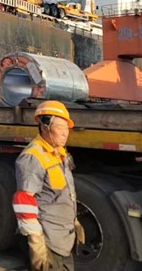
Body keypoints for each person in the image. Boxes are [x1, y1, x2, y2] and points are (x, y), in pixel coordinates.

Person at [12, 101, 84, 270]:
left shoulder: (59, 153)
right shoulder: (33, 157)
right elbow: (23, 200)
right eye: (60, 128)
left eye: (67, 128)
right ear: (44, 126)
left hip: (63, 239)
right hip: (48, 242)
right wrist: (36, 243)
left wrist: (73, 221)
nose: (65, 133)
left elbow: (61, 194)